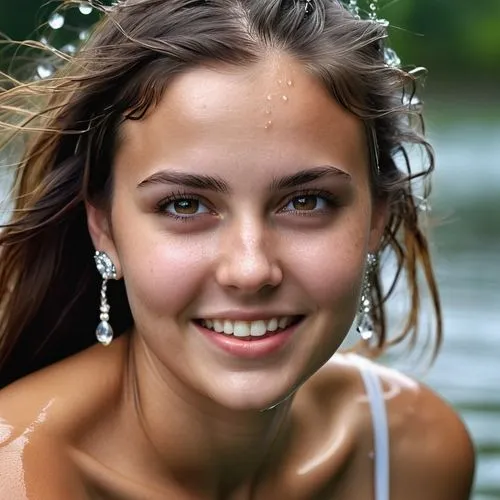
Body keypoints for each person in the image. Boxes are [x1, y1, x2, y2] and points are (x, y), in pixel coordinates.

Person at [0, 0, 474, 498]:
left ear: (377, 216)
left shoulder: (413, 455)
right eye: (184, 205)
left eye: (306, 201)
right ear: (105, 228)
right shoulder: (18, 475)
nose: (250, 269)